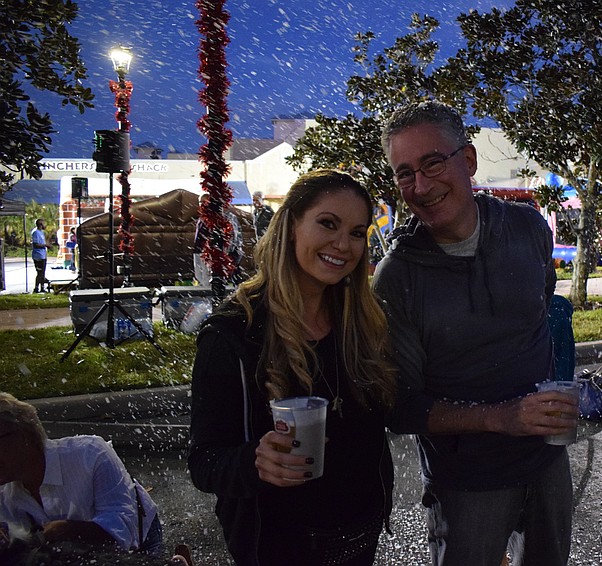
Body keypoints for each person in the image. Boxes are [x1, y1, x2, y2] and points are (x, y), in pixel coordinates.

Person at [372, 101, 577, 566]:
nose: (420, 186)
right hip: (465, 484)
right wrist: (502, 417)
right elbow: (401, 408)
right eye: (405, 174)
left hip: (548, 461)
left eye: (432, 163)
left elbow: (541, 308)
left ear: (468, 160)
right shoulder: (397, 278)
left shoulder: (527, 228)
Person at [188, 169, 397, 565]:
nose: (343, 244)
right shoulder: (234, 333)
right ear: (291, 226)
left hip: (360, 537)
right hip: (280, 547)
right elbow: (204, 462)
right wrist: (255, 461)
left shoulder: (364, 321)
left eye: (357, 232)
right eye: (328, 224)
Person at [0, 392, 162, 556]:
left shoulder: (90, 455)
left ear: (25, 435)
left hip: (141, 537)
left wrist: (67, 530)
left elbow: (123, 530)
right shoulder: (3, 489)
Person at [194, 194, 244, 286]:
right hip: (202, 251)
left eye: (204, 202)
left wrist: (228, 251)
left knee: (226, 276)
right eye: (200, 202)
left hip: (220, 253)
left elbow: (234, 236)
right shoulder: (203, 218)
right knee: (202, 276)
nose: (202, 205)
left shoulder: (227, 217)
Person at [30, 219, 50, 293]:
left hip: (43, 254)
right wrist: (46, 245)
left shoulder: (41, 232)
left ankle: (42, 287)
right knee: (40, 272)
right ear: (40, 224)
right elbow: (36, 244)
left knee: (43, 272)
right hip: (38, 255)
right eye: (43, 223)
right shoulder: (35, 232)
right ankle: (36, 288)